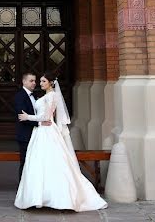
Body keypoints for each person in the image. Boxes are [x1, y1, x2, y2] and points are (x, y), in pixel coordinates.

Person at [14, 72, 108, 211]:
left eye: (43, 81)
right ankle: (38, 197)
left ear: (51, 83)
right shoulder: (46, 96)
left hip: (47, 131)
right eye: (39, 81)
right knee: (38, 163)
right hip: (41, 132)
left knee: (51, 162)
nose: (40, 84)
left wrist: (28, 117)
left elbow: (46, 117)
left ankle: (57, 198)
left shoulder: (52, 96)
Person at [14, 72, 43, 181]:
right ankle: (23, 189)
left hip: (36, 134)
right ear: (24, 81)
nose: (34, 83)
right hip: (25, 135)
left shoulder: (35, 95)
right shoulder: (19, 96)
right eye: (31, 81)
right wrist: (40, 122)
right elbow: (22, 116)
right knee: (25, 162)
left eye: (35, 81)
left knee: (35, 162)